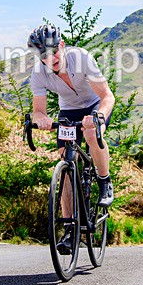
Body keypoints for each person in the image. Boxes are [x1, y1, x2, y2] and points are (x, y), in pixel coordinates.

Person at [27, 24, 115, 253]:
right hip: (68, 111)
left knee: (90, 133)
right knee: (66, 160)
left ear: (62, 46)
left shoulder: (82, 58)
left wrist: (99, 116)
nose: (50, 58)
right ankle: (69, 229)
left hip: (95, 104)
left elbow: (107, 96)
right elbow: (38, 110)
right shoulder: (38, 74)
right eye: (43, 55)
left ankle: (105, 181)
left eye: (53, 51)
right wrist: (42, 119)